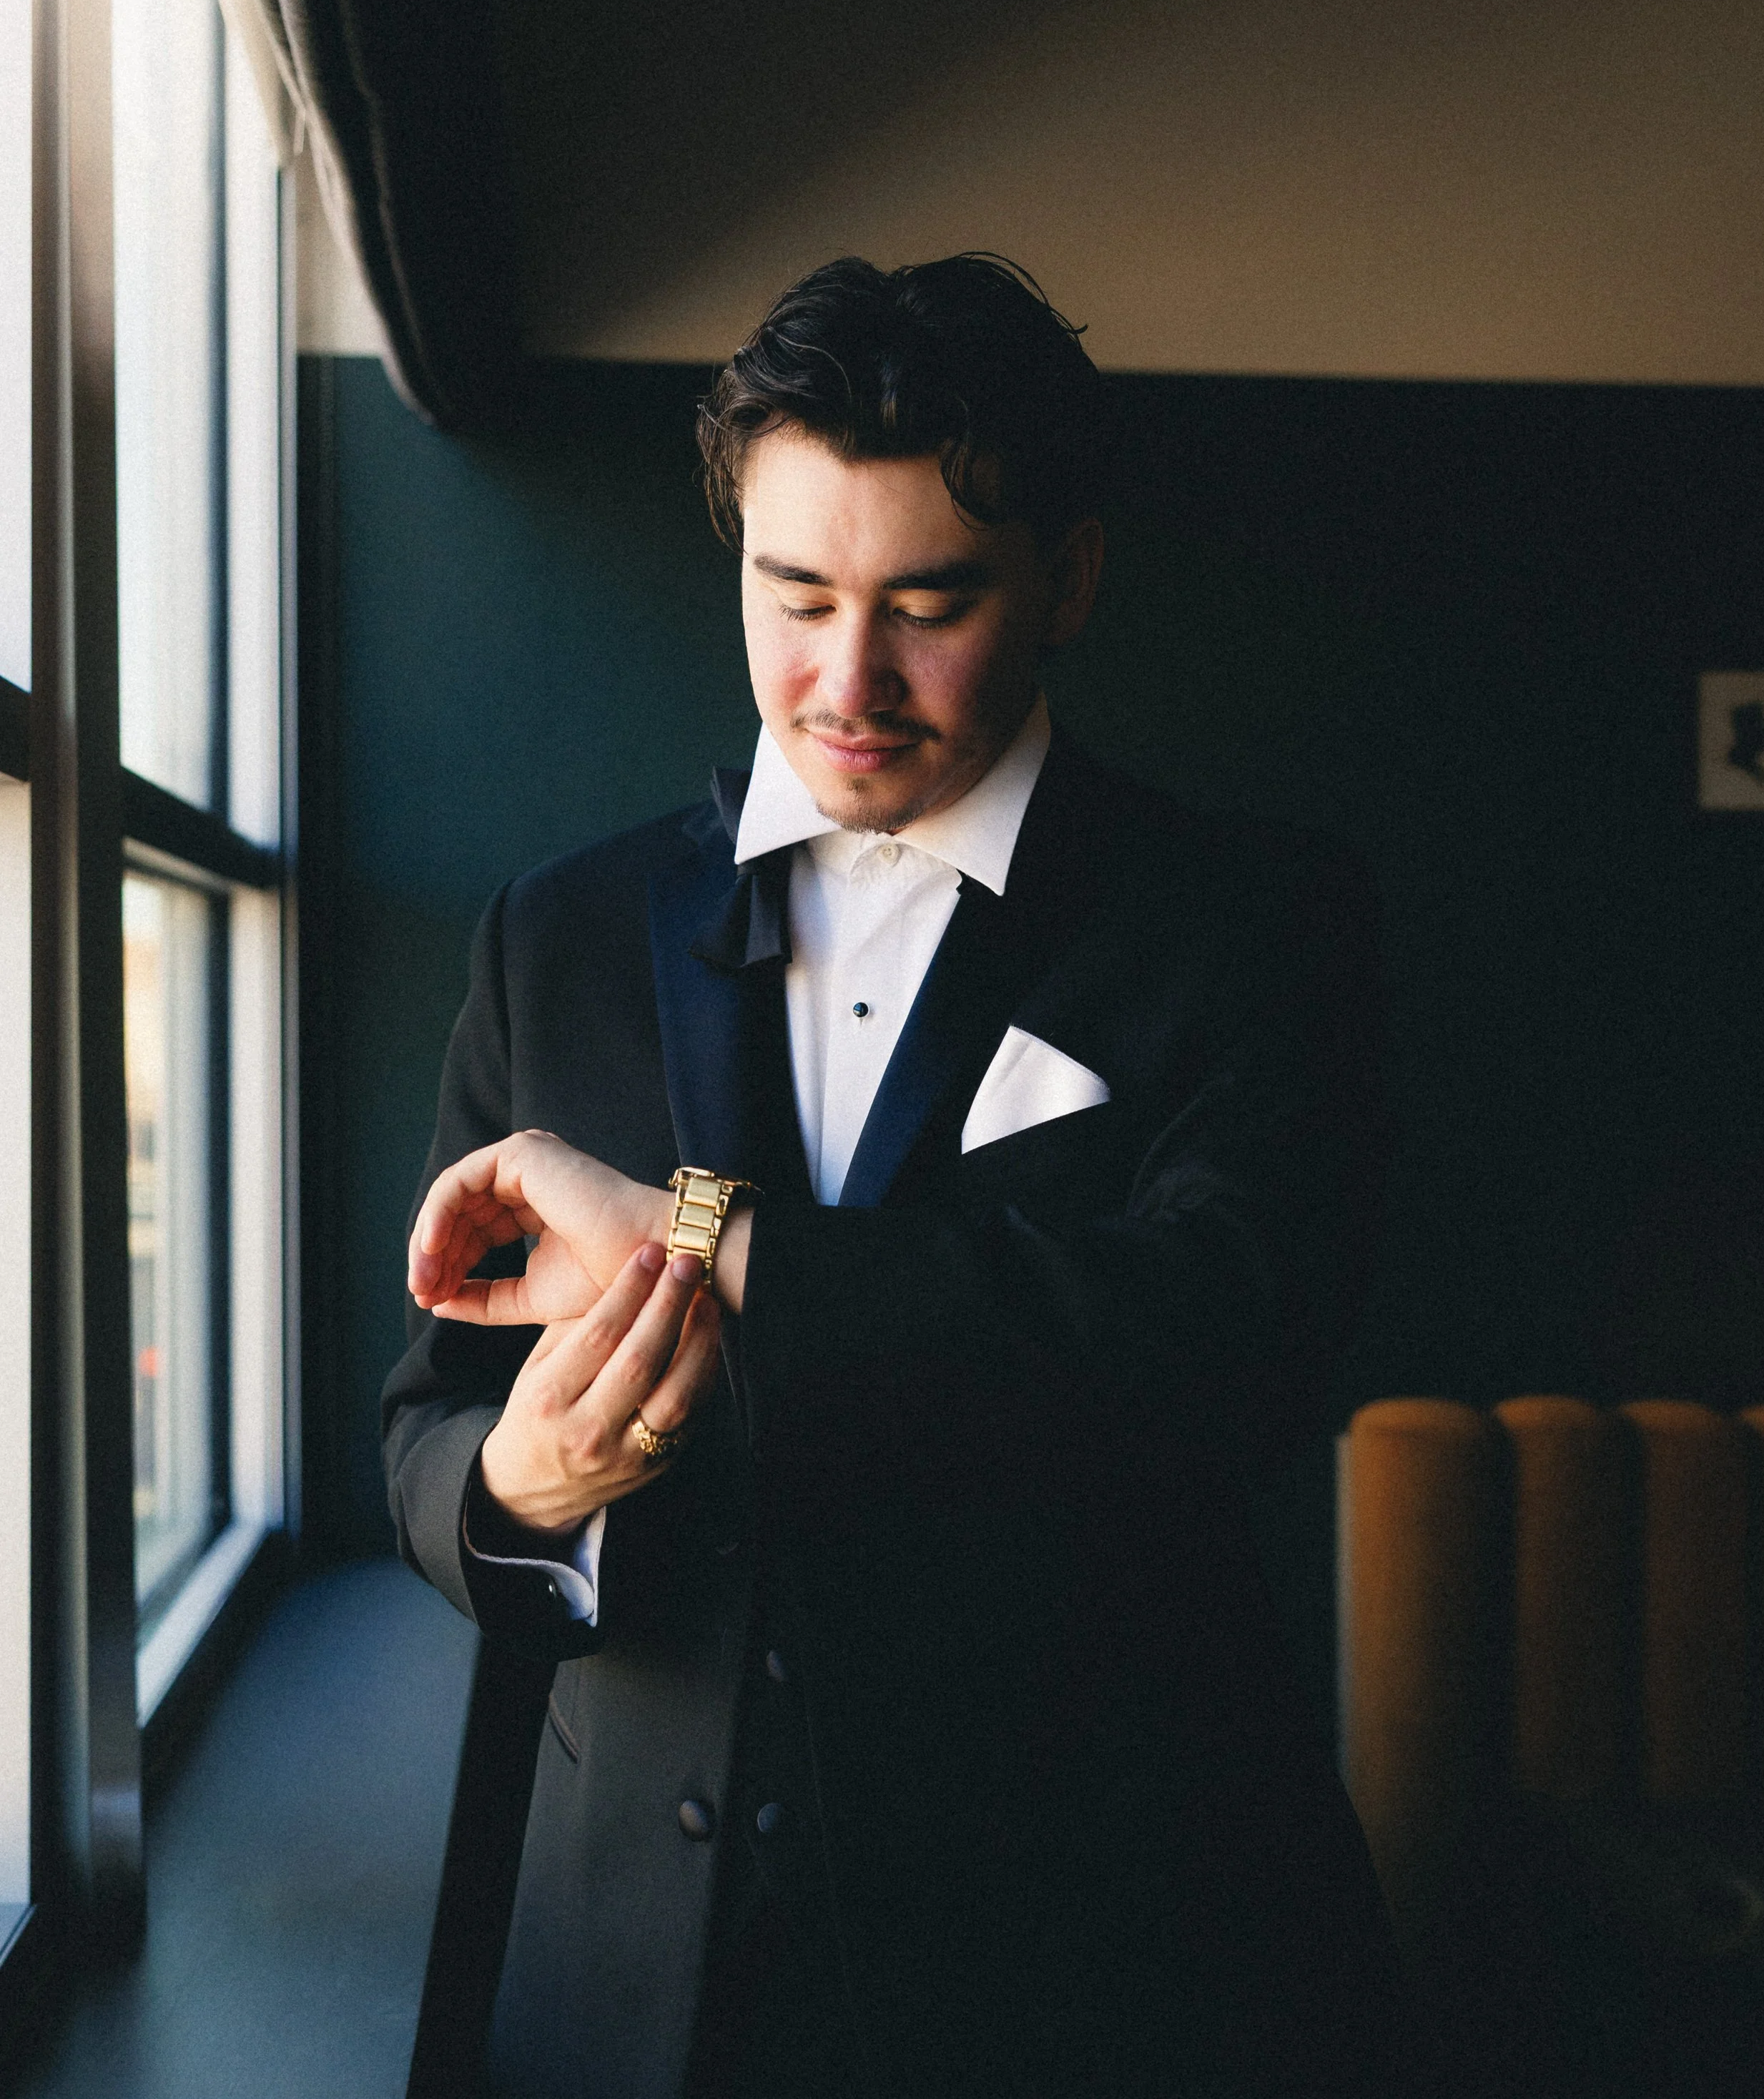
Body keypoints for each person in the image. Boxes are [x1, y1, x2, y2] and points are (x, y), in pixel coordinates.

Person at [383, 255, 1422, 2099]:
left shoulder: (1263, 930)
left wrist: (699, 1237)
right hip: (618, 1973)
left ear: (1069, 581)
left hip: (1112, 1964)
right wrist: (521, 1491)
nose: (845, 682)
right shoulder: (553, 938)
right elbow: (427, 1422)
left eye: (927, 605)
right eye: (794, 598)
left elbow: (1220, 1352)